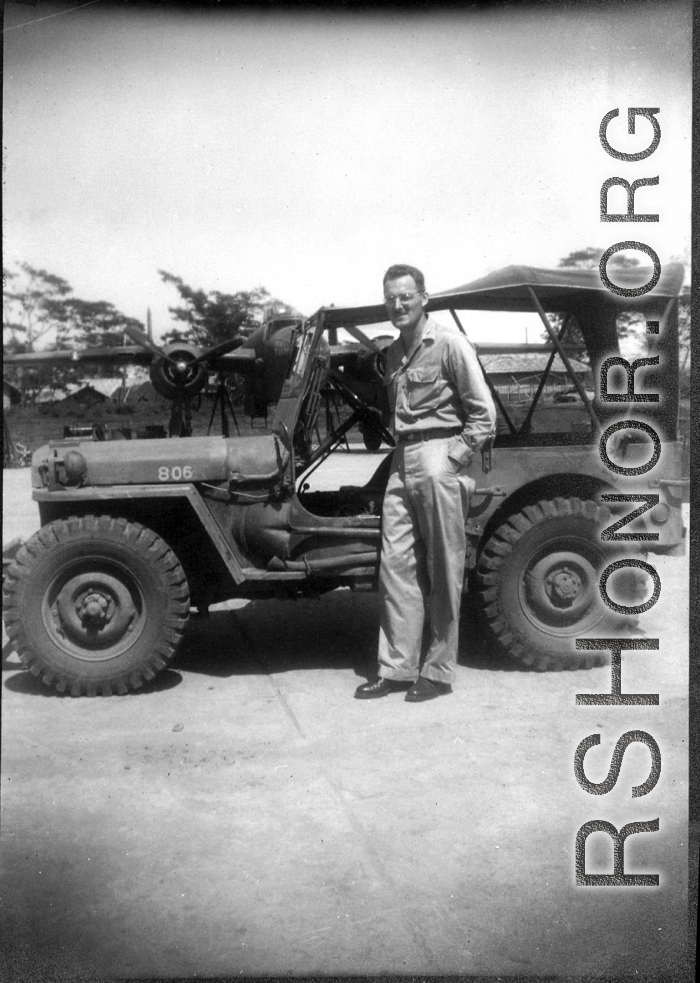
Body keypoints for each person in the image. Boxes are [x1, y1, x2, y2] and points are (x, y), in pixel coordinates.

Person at [355, 264, 497, 703]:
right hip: (401, 458)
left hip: (438, 454)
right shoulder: (395, 353)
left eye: (405, 297)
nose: (397, 305)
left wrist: (451, 460)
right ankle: (397, 668)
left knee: (443, 566)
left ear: (423, 298)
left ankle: (437, 671)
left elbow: (483, 414)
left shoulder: (450, 344)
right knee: (396, 568)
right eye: (390, 298)